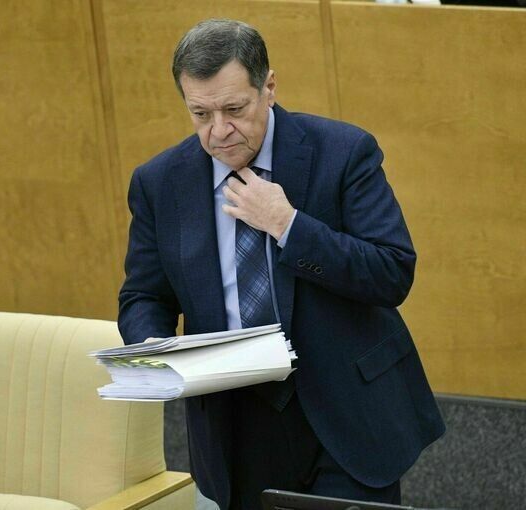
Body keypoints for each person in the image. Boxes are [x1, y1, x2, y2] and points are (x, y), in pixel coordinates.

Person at [118, 18, 445, 510]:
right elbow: (145, 295)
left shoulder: (344, 152)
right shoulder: (160, 183)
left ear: (268, 87)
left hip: (346, 411)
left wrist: (289, 225)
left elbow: (391, 271)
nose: (219, 131)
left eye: (234, 109)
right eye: (200, 114)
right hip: (235, 420)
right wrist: (152, 344)